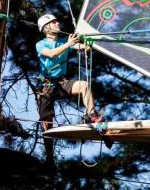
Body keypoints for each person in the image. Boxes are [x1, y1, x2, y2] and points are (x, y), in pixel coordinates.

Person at [35, 14, 101, 166]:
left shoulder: (65, 41)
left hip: (61, 83)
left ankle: (92, 115)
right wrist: (69, 43)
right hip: (46, 86)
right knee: (47, 124)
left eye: (56, 21)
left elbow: (83, 48)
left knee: (84, 85)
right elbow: (51, 54)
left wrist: (87, 42)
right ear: (46, 28)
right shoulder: (41, 44)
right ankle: (49, 156)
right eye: (53, 22)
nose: (57, 23)